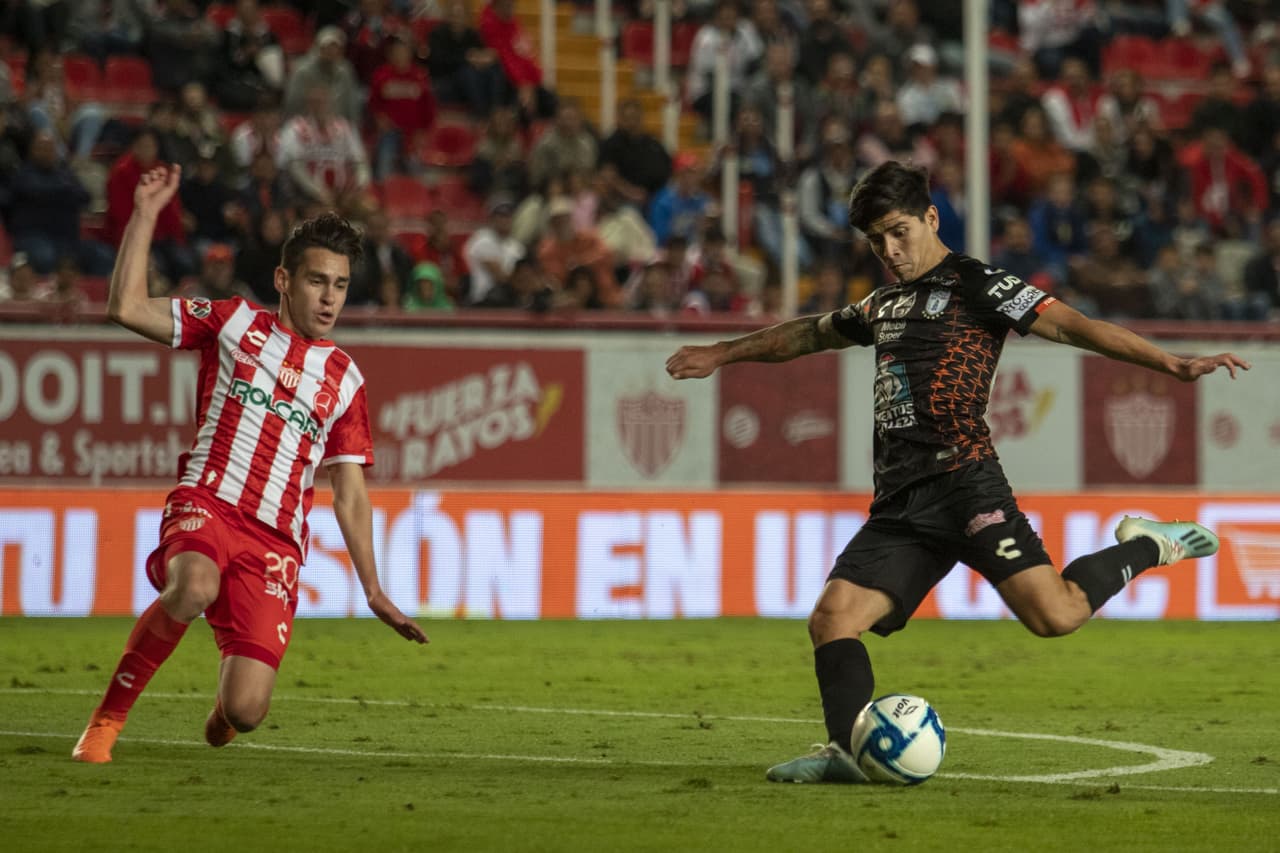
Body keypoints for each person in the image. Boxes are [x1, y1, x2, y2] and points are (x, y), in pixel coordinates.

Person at [664, 160, 1250, 784]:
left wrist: (1171, 363)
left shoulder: (978, 283)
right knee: (832, 619)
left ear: (931, 218)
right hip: (900, 501)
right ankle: (844, 751)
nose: (889, 251)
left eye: (898, 232)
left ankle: (1145, 545)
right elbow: (808, 335)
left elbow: (1074, 325)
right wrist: (722, 353)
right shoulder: (883, 304)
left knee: (1056, 616)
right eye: (875, 241)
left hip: (966, 482)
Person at [71, 165, 428, 764]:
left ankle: (224, 712)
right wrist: (145, 215)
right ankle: (105, 723)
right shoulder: (234, 322)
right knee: (193, 586)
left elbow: (350, 492)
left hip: (275, 542)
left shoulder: (345, 378)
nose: (330, 297)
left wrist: (373, 588)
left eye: (340, 285)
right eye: (317, 281)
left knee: (248, 711)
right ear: (283, 279)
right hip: (207, 501)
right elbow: (126, 307)